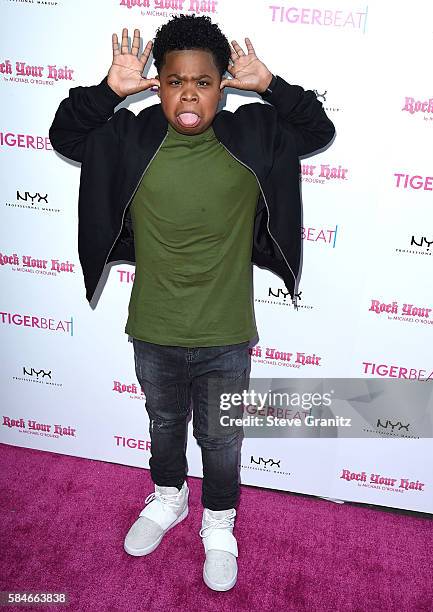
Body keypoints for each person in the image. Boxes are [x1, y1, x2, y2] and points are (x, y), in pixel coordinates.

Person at [49, 14, 335, 592]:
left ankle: (220, 523)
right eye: (174, 80)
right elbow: (66, 137)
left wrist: (270, 85)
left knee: (222, 437)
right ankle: (168, 498)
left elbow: (317, 128)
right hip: (152, 325)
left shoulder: (253, 133)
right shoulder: (130, 136)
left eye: (203, 82)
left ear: (222, 86)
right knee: (163, 422)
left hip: (226, 330)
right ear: (157, 84)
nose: (187, 93)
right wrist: (109, 92)